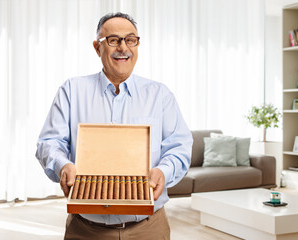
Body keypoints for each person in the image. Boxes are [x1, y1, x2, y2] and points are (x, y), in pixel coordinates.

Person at [36, 12, 193, 240]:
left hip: (149, 228)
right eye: (113, 40)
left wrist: (163, 171)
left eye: (130, 40)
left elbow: (179, 146)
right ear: (97, 48)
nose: (123, 48)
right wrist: (63, 165)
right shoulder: (72, 90)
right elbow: (49, 143)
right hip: (85, 229)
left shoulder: (160, 95)